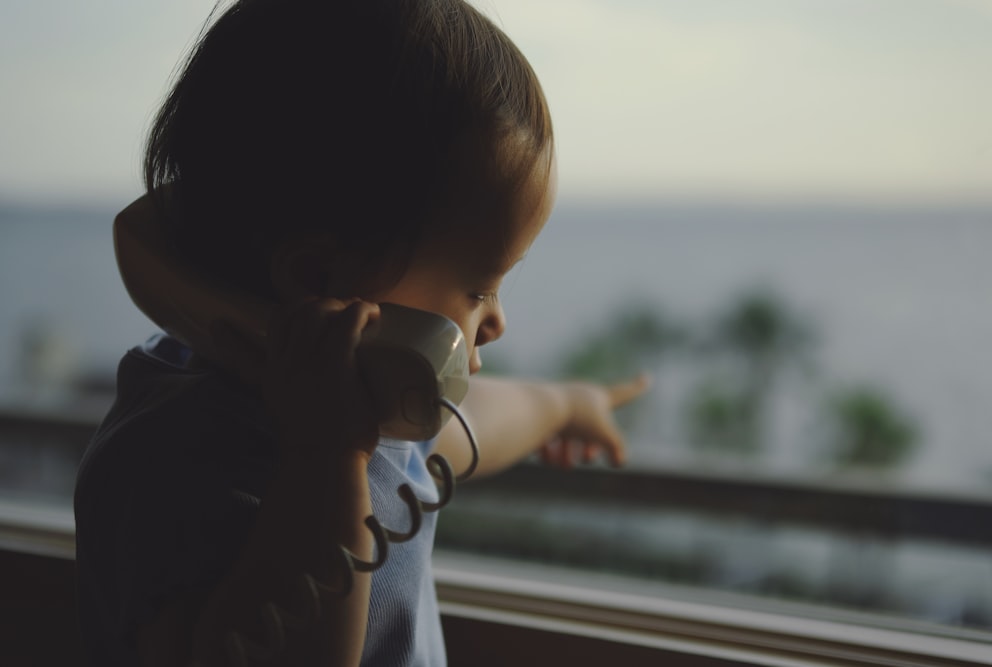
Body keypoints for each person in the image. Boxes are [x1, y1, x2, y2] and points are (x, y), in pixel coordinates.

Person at [74, 1, 649, 665]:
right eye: (478, 288)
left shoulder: (373, 407)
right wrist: (322, 459)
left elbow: (473, 427)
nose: (495, 321)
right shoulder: (166, 463)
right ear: (321, 280)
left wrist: (564, 406)